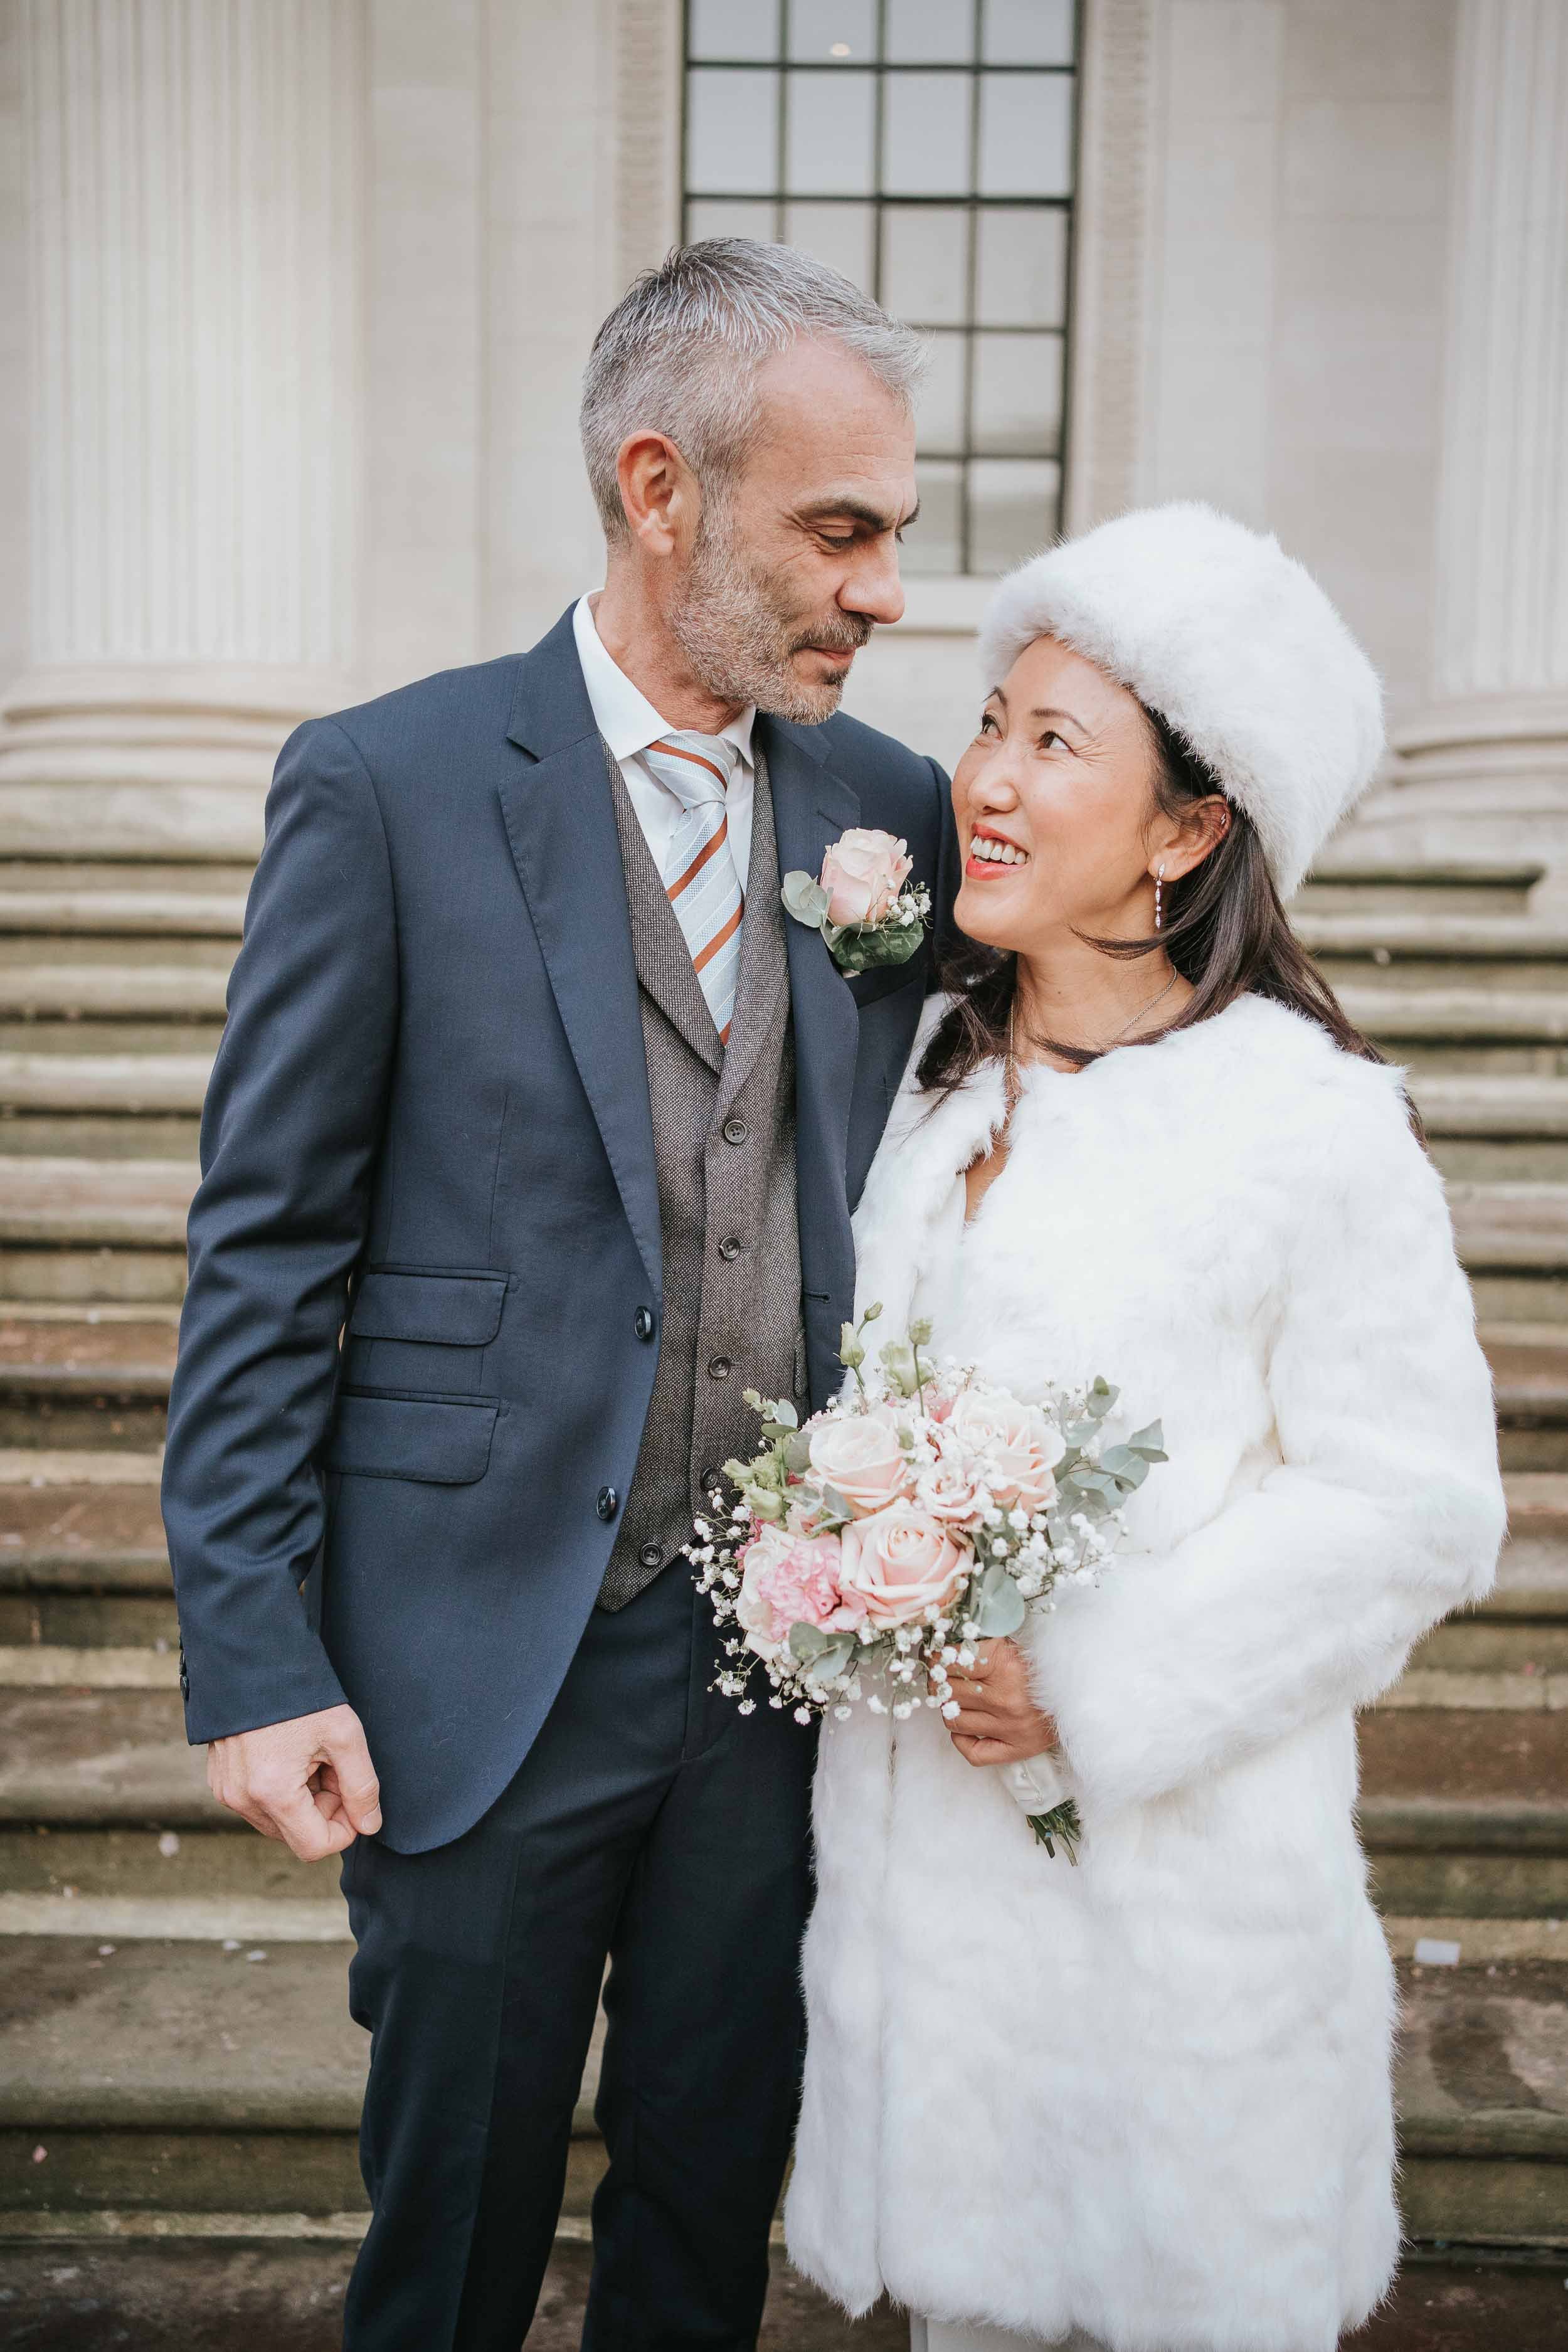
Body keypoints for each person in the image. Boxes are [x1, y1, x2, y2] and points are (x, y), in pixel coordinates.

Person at [161, 239, 958, 2351]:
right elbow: (266, 1245)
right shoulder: (389, 783)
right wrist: (252, 1647)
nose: (883, 588)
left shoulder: (889, 815)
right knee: (451, 2246)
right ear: (658, 488)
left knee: (707, 2224)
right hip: (475, 1663)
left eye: (896, 533)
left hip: (776, 1680)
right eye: (841, 530)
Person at [783, 504, 1506, 2352]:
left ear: (1189, 830)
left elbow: (1413, 1501)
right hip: (929, 1949)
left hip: (1174, 1940)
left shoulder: (1304, 1124)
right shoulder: (920, 1085)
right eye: (989, 726)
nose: (987, 785)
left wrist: (1094, 1692)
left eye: (1055, 743)